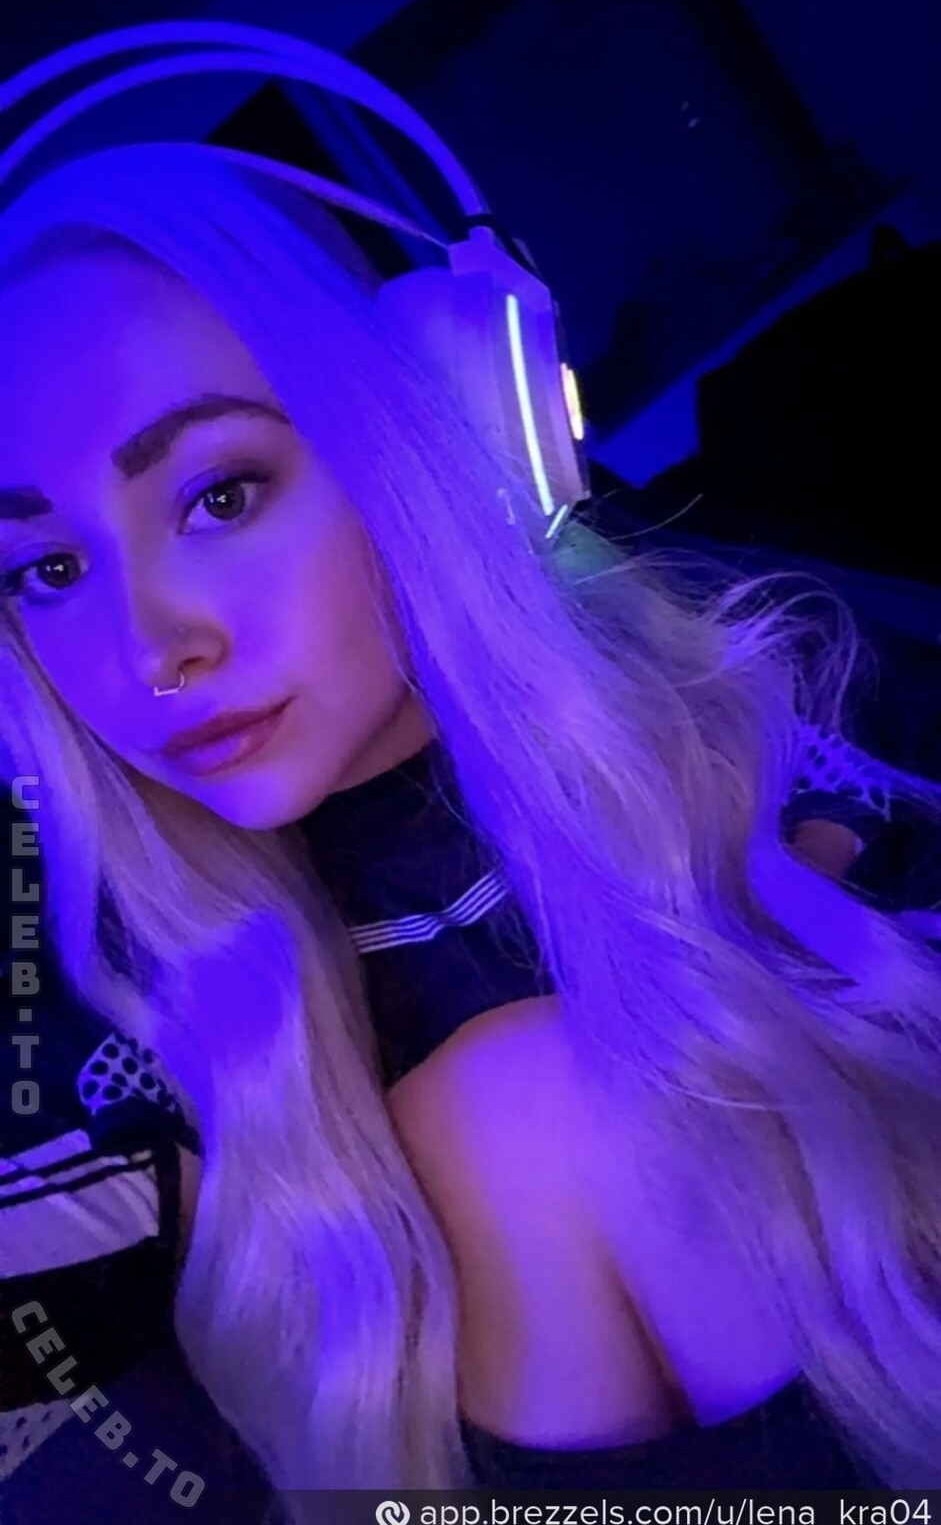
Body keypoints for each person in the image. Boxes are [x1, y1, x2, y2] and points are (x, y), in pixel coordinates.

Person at [1, 113, 941, 1522]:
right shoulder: (114, 1014)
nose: (152, 649)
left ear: (417, 433)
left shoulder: (786, 702)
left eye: (220, 495)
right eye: (50, 570)